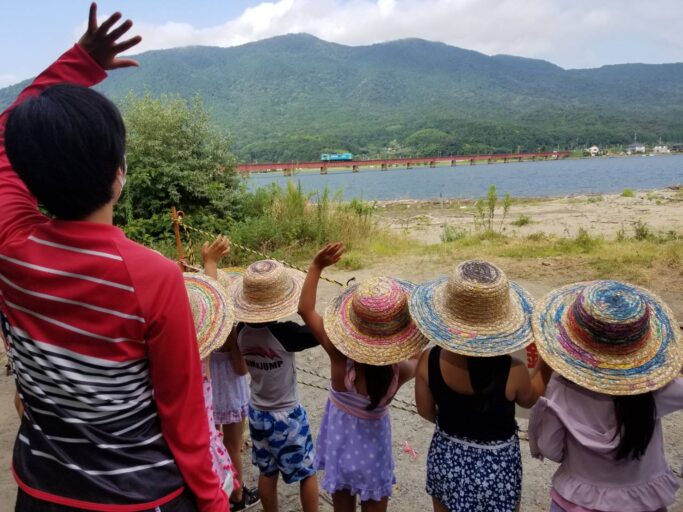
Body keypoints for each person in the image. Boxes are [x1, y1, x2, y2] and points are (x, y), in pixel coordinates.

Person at [0, 4, 228, 511]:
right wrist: (213, 503)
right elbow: (183, 413)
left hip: (41, 491)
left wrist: (79, 62)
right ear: (119, 172)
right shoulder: (153, 275)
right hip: (141, 496)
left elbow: (4, 139)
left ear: (29, 177)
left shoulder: (11, 246)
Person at [528, 280, 683, 512]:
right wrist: (666, 364)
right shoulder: (655, 390)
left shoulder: (561, 387)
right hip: (642, 502)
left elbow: (550, 448)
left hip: (577, 501)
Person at [298, 243, 429, 512]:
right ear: (397, 336)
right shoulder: (400, 371)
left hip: (340, 450)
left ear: (353, 325)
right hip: (374, 456)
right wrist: (407, 323)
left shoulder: (340, 361)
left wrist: (316, 266)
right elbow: (418, 348)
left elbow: (305, 310)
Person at [410, 260, 550, 512]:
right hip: (498, 467)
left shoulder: (428, 360)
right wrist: (545, 362)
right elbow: (531, 399)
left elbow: (425, 410)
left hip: (447, 456)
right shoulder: (513, 370)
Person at [231, 259, 320, 512]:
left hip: (258, 412)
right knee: (307, 472)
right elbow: (318, 331)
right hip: (287, 415)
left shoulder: (241, 331)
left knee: (267, 471)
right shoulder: (286, 333)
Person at [205, 245, 261, 510]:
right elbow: (240, 369)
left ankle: (218, 488)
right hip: (232, 395)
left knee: (213, 443)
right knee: (233, 445)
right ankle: (237, 496)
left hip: (210, 395)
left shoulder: (205, 332)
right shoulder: (232, 332)